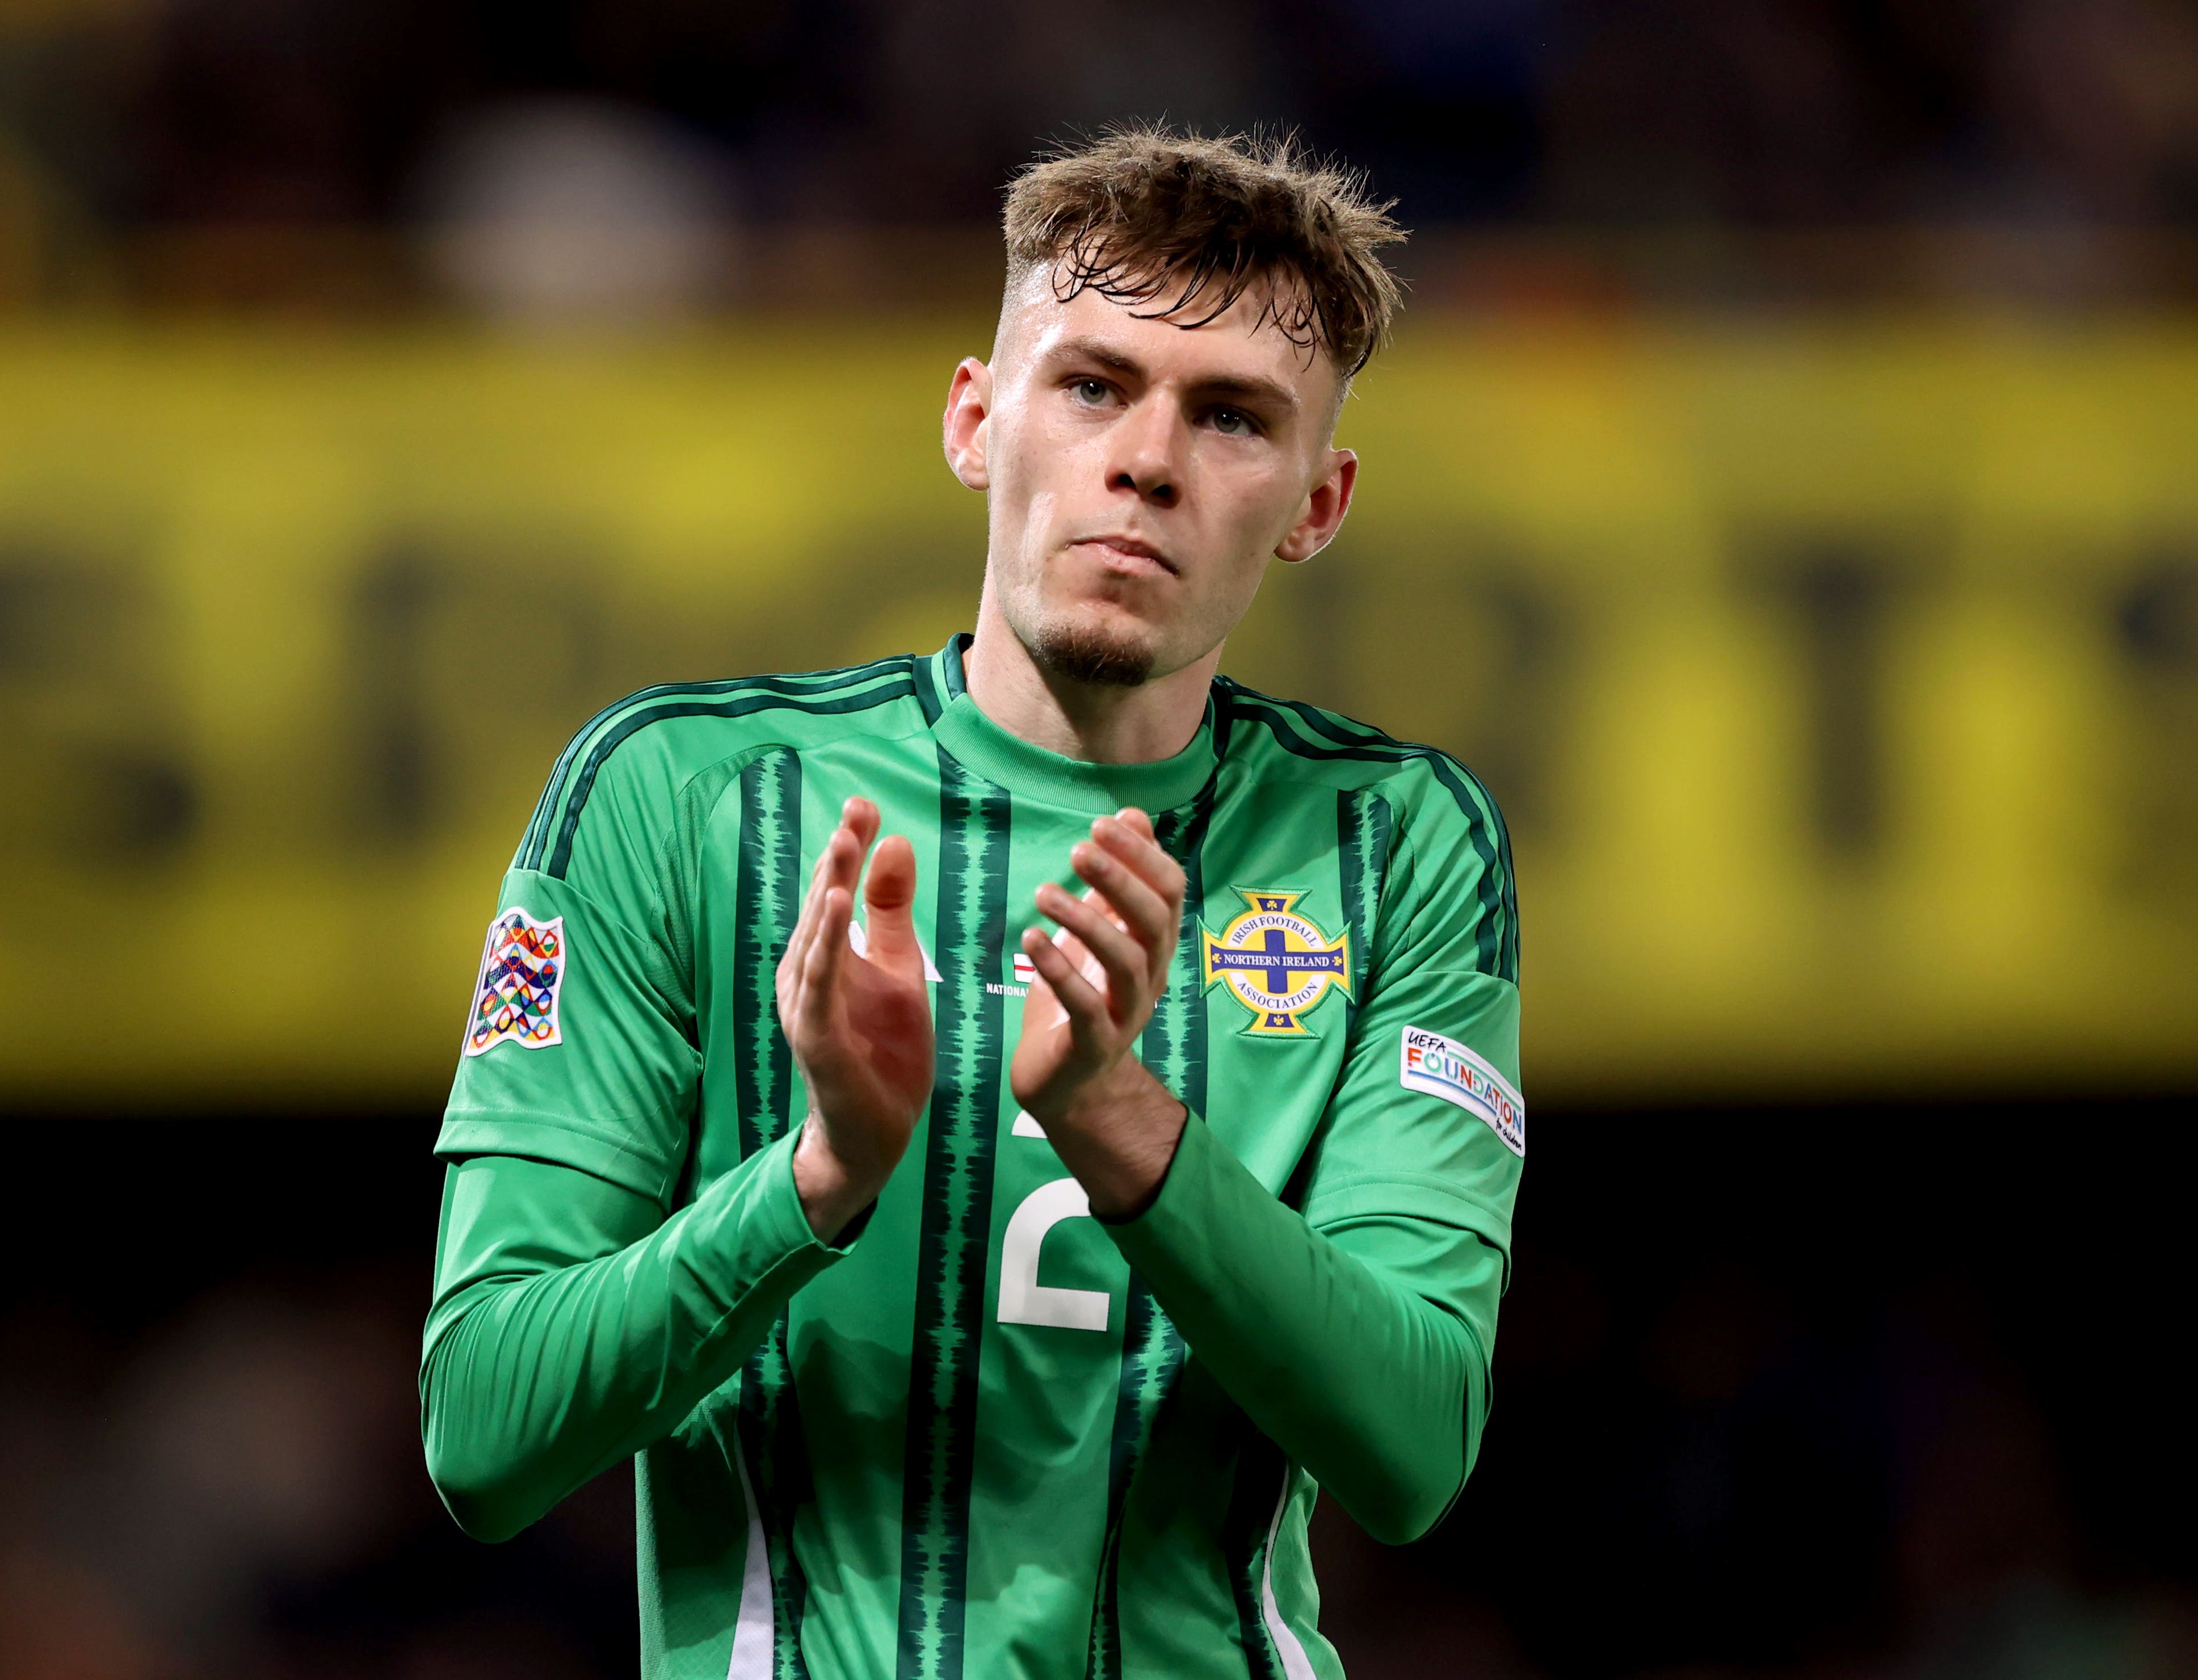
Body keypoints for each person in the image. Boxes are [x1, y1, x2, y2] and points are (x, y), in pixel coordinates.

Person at [421, 125, 1525, 1680]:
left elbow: (1415, 1450)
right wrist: (815, 1178)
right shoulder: (677, 799)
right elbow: (482, 1430)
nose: (1146, 458)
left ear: (1316, 506)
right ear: (973, 416)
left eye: (1231, 418)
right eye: (1092, 384)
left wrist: (1116, 1115)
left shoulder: (1393, 843)